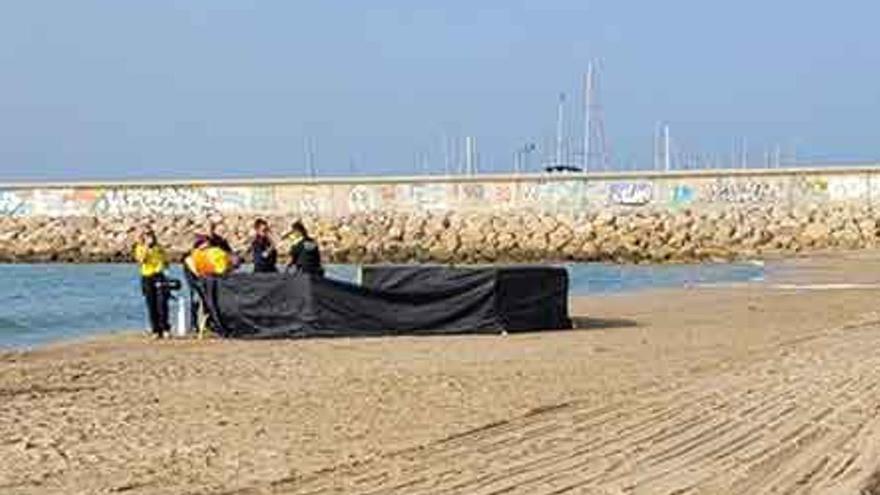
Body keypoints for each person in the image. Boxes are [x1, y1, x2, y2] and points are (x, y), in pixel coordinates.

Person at [133, 227, 170, 338]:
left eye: (150, 234)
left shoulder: (159, 247)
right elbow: (141, 261)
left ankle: (165, 328)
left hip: (159, 276)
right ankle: (155, 330)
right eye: (146, 234)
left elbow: (166, 261)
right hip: (147, 276)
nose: (149, 237)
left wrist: (165, 268)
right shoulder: (140, 248)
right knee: (151, 304)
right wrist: (146, 248)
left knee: (162, 303)